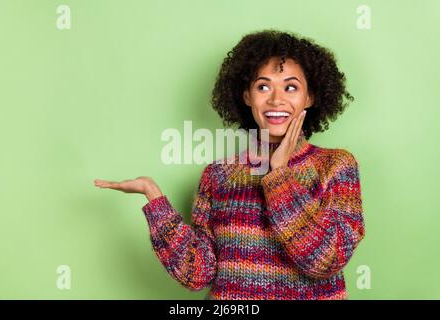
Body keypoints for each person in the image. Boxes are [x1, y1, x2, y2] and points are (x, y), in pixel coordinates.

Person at [94, 29, 365, 300]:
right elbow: (198, 274)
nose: (276, 99)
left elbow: (326, 260)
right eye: (263, 86)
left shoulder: (336, 166)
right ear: (247, 96)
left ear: (310, 97)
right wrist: (153, 198)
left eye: (290, 87)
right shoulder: (218, 176)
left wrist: (279, 173)